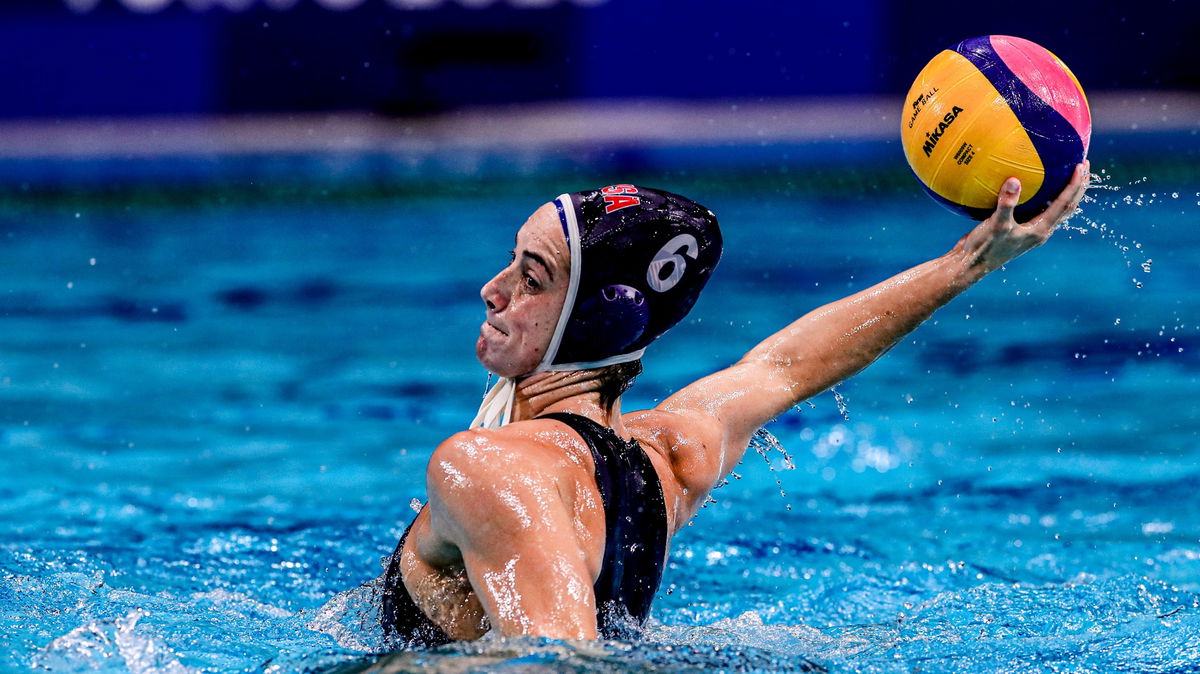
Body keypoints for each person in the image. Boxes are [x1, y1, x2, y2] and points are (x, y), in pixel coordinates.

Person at [379, 165, 1090, 647]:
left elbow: (561, 661)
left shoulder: (492, 470)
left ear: (599, 318)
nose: (493, 290)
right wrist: (966, 263)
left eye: (531, 277)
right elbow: (785, 367)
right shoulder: (666, 460)